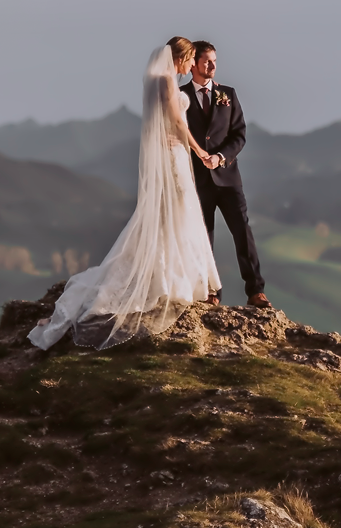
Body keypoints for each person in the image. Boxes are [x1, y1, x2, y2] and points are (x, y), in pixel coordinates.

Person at [29, 38, 223, 349]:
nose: (191, 67)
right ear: (183, 57)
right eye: (190, 61)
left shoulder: (156, 80)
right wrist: (200, 150)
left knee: (172, 216)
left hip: (171, 155)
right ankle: (170, 278)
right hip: (174, 156)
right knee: (179, 214)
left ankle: (171, 275)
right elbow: (175, 120)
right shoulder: (167, 81)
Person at [181, 42, 267, 307]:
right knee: (203, 237)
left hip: (228, 178)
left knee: (242, 232)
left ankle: (256, 291)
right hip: (197, 180)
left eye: (215, 61)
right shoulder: (179, 95)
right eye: (207, 61)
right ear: (193, 64)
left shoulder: (227, 94)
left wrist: (220, 157)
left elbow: (239, 134)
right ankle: (210, 292)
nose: (213, 66)